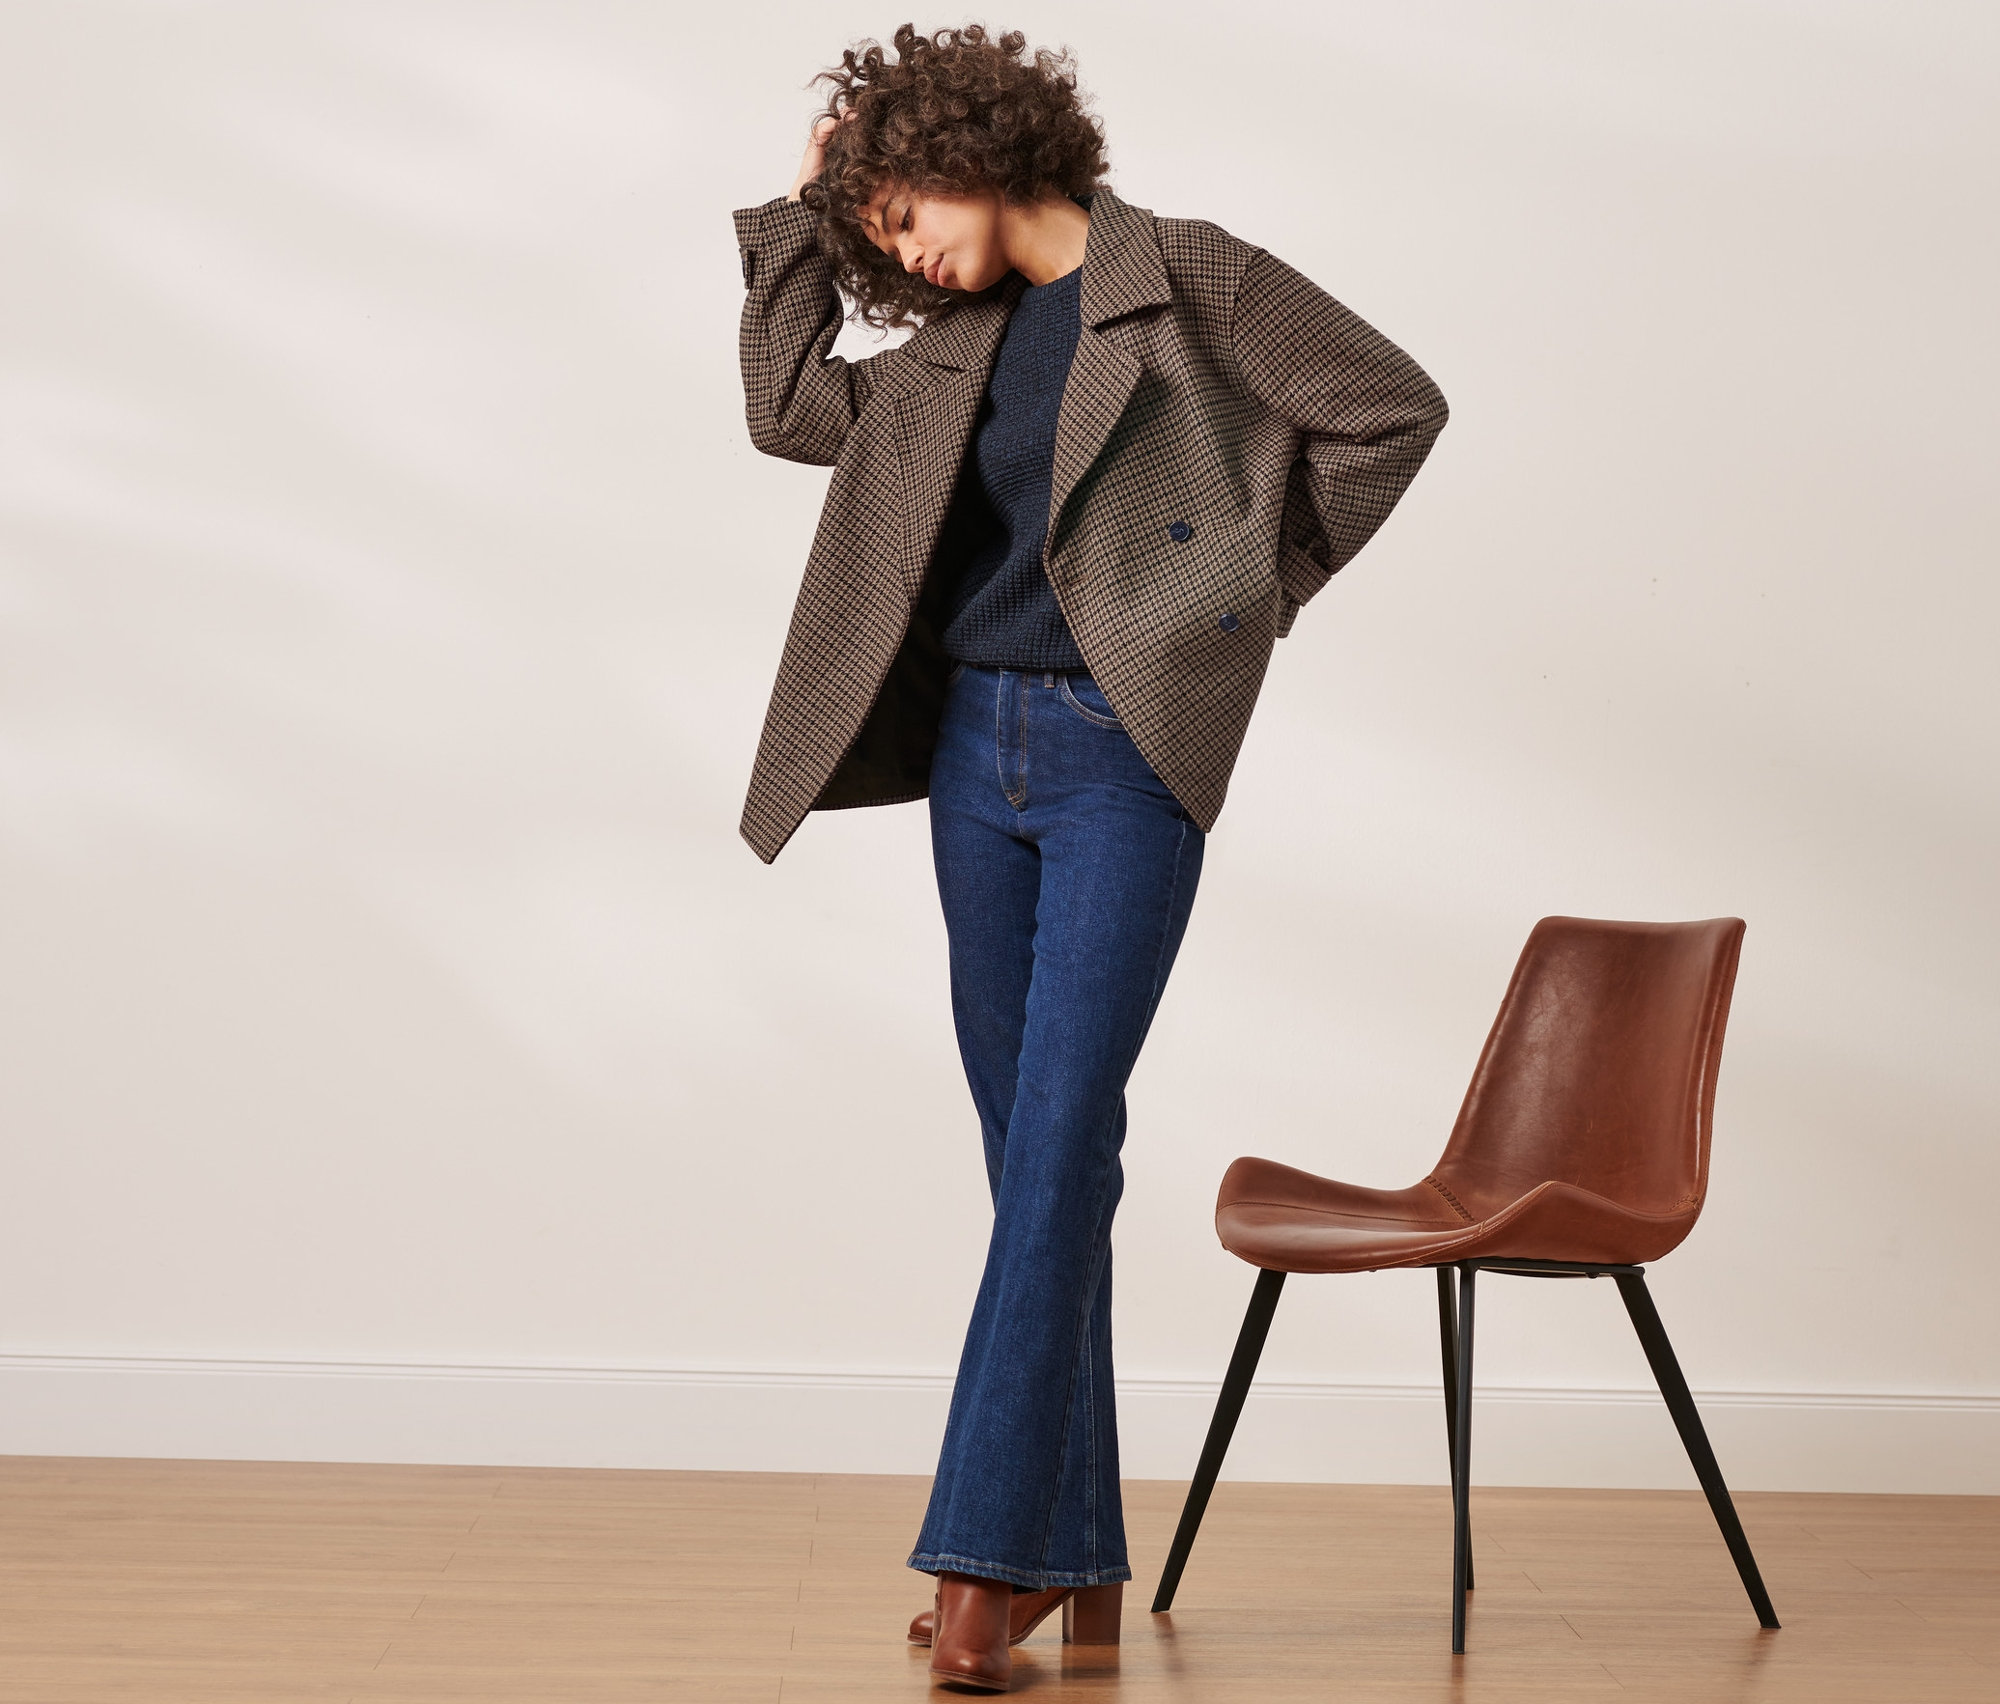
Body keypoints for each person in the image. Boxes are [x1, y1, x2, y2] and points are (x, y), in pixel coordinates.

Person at [729, 23, 1447, 1692]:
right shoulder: (948, 347)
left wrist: (1232, 601)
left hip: (1127, 756)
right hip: (978, 762)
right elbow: (781, 411)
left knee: (1059, 1146)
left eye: (894, 204)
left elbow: (1390, 411)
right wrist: (795, 207)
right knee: (1036, 1164)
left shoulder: (1189, 277)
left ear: (972, 139)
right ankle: (1078, 1555)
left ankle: (986, 1559)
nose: (892, 250)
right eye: (870, 229)